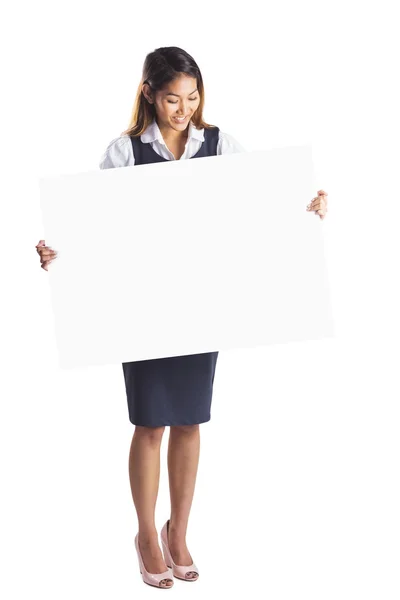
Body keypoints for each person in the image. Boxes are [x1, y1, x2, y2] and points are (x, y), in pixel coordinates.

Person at [35, 46, 328, 589]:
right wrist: (60, 253)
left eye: (192, 98)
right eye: (172, 98)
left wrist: (305, 206)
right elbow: (92, 229)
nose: (183, 110)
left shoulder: (219, 144)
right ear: (149, 93)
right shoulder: (123, 152)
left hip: (201, 302)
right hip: (142, 307)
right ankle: (146, 533)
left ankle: (179, 531)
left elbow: (262, 202)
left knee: (190, 419)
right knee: (149, 423)